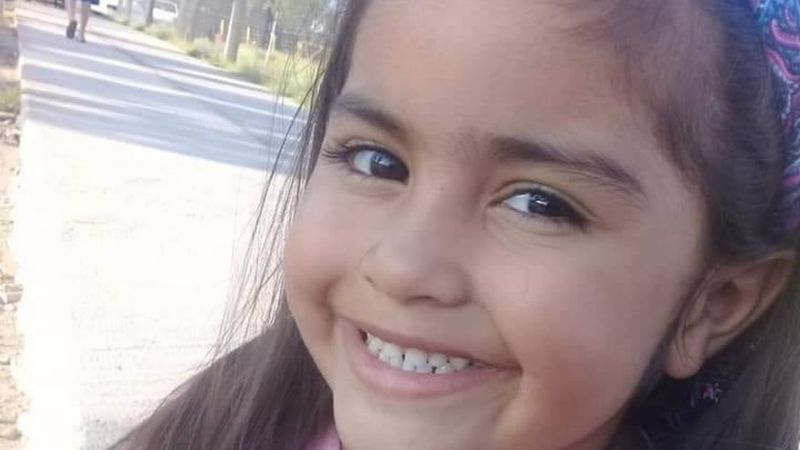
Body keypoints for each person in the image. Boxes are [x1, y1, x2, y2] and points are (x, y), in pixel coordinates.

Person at [115, 0, 800, 449]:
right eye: (378, 161)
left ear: (713, 303)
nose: (401, 266)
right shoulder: (214, 424)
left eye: (539, 204)